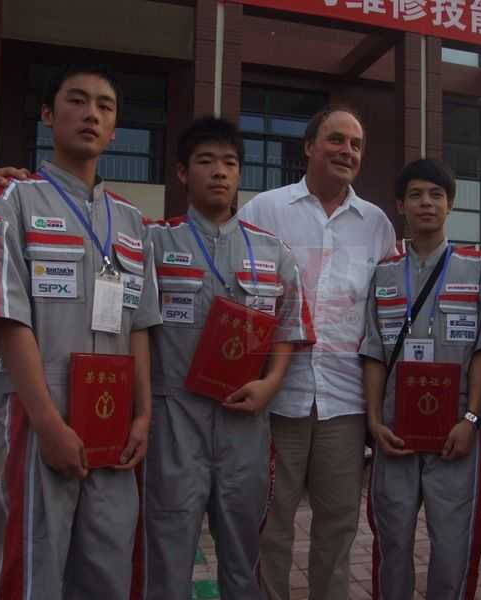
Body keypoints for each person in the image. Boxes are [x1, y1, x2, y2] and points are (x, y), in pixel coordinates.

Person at [0, 64, 160, 600]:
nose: (91, 114)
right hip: (41, 413)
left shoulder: (132, 221)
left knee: (109, 565)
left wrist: (143, 415)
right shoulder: (12, 200)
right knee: (36, 565)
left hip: (114, 419)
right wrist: (48, 424)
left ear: (115, 130)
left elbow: (140, 325)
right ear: (48, 115)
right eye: (76, 101)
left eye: (105, 106)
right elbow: (9, 320)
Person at [140, 116, 315, 600]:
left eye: (230, 163)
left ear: (240, 174)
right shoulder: (153, 242)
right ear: (182, 172)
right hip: (174, 423)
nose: (219, 171)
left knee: (243, 556)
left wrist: (271, 383)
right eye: (205, 161)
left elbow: (289, 327)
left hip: (245, 426)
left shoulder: (272, 251)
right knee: (167, 549)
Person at [237, 106, 396, 600]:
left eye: (356, 144)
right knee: (270, 522)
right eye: (336, 139)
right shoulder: (264, 211)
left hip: (344, 404)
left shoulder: (377, 225)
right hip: (275, 399)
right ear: (309, 147)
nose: (347, 151)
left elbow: (385, 314)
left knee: (338, 526)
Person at [359, 159, 481, 599]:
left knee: (454, 546)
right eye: (416, 195)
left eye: (436, 195)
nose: (427, 203)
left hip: (455, 435)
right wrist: (374, 422)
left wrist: (471, 419)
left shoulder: (480, 269)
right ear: (400, 205)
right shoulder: (383, 273)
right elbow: (374, 353)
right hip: (395, 434)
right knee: (393, 542)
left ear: (450, 205)